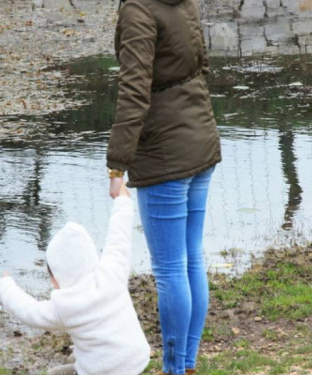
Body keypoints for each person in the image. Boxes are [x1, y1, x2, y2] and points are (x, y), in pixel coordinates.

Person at [107, 0, 222, 374]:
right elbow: (200, 65)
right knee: (190, 258)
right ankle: (186, 366)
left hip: (165, 153)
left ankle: (174, 369)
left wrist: (116, 164)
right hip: (199, 138)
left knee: (171, 268)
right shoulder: (183, 1)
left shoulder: (139, 9)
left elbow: (134, 91)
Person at [0, 182, 150, 375]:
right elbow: (119, 236)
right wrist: (122, 201)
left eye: (52, 277)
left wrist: (5, 287)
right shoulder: (112, 271)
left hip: (102, 370)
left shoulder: (65, 306)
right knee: (77, 356)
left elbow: (29, 310)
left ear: (58, 276)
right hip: (136, 360)